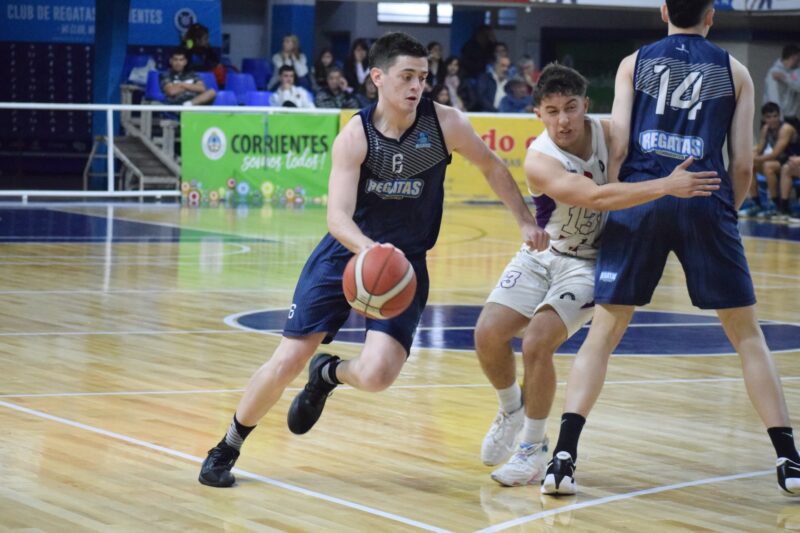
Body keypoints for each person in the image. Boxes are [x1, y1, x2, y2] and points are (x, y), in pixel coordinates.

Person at [197, 31, 550, 488]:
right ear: (377, 77)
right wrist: (369, 250)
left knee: (380, 374)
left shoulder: (445, 124)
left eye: (423, 77)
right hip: (346, 255)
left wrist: (524, 220)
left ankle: (328, 374)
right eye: (407, 76)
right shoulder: (356, 134)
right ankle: (226, 447)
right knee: (288, 359)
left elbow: (492, 167)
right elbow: (337, 217)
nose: (417, 85)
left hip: (404, 266)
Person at [542, 0, 800, 497]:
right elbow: (742, 164)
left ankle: (563, 458)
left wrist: (625, 199)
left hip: (642, 196)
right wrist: (723, 210)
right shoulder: (736, 71)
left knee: (603, 333)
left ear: (663, 10)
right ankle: (789, 460)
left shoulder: (633, 63)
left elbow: (619, 146)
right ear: (711, 14)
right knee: (747, 336)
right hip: (704, 197)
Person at [476, 63, 720, 487]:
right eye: (553, 111)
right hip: (543, 255)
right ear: (538, 113)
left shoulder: (610, 133)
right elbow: (597, 197)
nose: (563, 120)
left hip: (590, 262)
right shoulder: (540, 159)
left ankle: (532, 450)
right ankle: (512, 407)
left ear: (586, 105)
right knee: (487, 334)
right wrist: (666, 185)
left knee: (537, 342)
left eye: (571, 107)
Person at [740, 102, 800, 218]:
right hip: (782, 161)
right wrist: (750, 155)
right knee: (749, 165)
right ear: (763, 118)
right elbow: (760, 149)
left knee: (768, 166)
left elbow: (775, 154)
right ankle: (756, 203)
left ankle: (776, 204)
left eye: (775, 116)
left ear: (780, 116)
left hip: (792, 160)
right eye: (769, 117)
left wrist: (754, 158)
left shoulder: (786, 129)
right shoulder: (766, 129)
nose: (773, 120)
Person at [764, 44, 800, 123]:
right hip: (775, 117)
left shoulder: (796, 71)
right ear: (792, 57)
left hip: (791, 116)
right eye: (797, 60)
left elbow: (798, 86)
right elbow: (773, 97)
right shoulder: (774, 72)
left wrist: (785, 78)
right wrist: (780, 119)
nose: (798, 63)